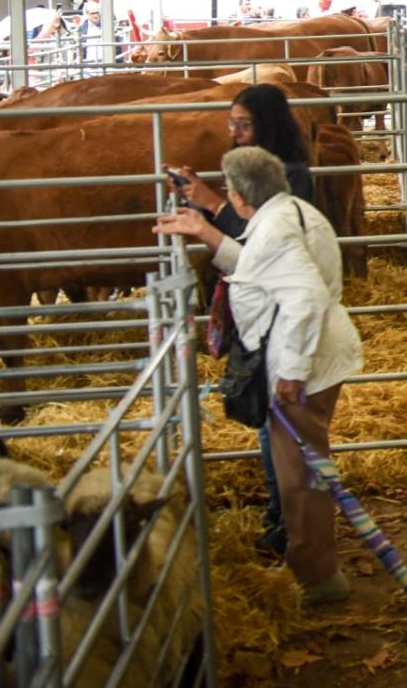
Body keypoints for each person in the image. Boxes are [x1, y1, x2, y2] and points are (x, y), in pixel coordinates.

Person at [157, 147, 362, 604]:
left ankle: (318, 578)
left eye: (228, 190)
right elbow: (263, 268)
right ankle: (310, 565)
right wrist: (207, 232)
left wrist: (289, 373)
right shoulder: (284, 213)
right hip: (310, 354)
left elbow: (304, 297)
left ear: (242, 195)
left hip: (304, 364)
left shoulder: (277, 228)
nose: (225, 196)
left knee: (299, 478)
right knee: (299, 472)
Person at [164, 83, 317, 558]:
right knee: (268, 425)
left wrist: (210, 210)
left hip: (277, 322)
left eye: (244, 124)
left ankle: (293, 532)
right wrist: (204, 202)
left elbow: (259, 246)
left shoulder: (288, 180)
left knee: (281, 430)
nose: (234, 133)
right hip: (259, 319)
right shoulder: (257, 172)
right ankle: (284, 521)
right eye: (231, 123)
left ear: (268, 125)